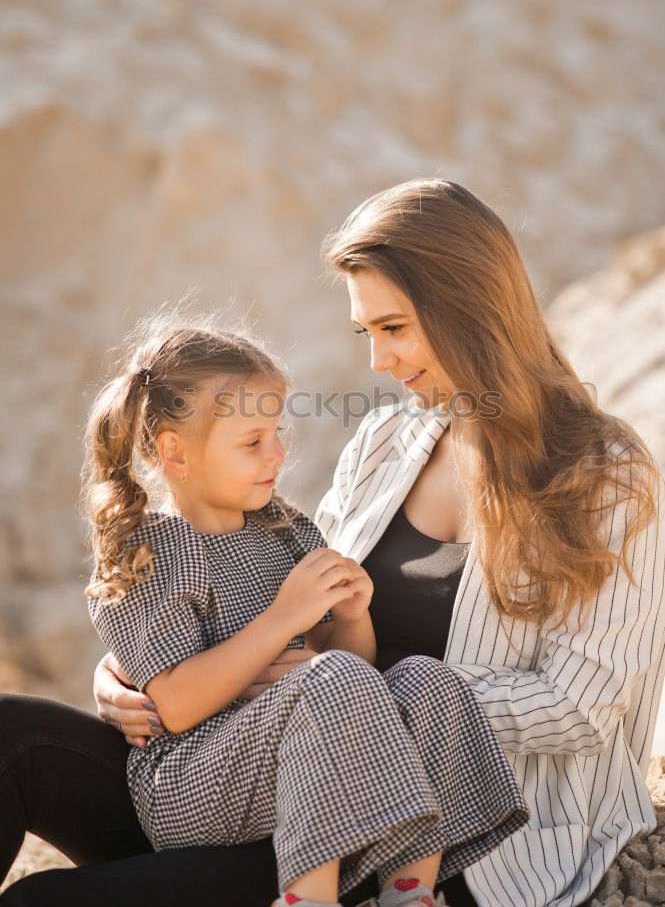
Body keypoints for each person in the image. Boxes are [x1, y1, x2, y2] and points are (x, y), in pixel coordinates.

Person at [1, 179, 663, 907]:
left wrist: (346, 697)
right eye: (365, 333)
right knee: (12, 739)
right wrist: (146, 670)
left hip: (443, 827)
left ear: (470, 309)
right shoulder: (386, 439)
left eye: (394, 327)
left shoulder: (603, 474)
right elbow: (280, 602)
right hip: (259, 775)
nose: (377, 361)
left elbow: (579, 705)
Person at [1, 313, 526, 907]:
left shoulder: (285, 529)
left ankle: (411, 891)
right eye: (252, 442)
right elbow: (172, 705)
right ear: (175, 454)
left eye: (277, 433)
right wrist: (282, 619)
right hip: (192, 783)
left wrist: (352, 614)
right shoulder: (149, 548)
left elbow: (352, 668)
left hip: (294, 772)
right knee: (332, 679)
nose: (276, 454)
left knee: (426, 680)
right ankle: (308, 898)